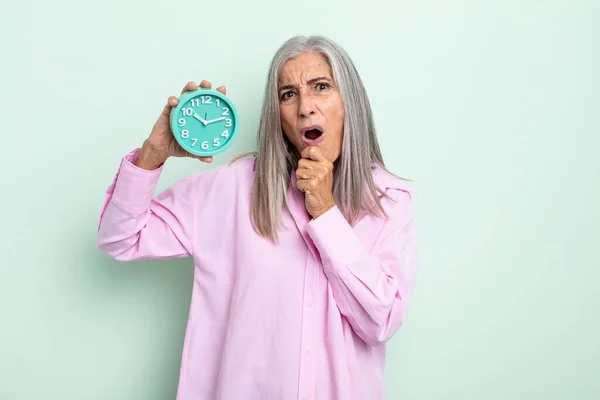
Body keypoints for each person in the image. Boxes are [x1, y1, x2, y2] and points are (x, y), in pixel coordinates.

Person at [97, 35, 418, 400]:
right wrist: (152, 154)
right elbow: (120, 237)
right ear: (277, 115)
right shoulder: (229, 190)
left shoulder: (389, 201)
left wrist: (326, 213)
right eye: (288, 94)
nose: (305, 107)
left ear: (350, 102)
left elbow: (382, 321)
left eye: (321, 87)